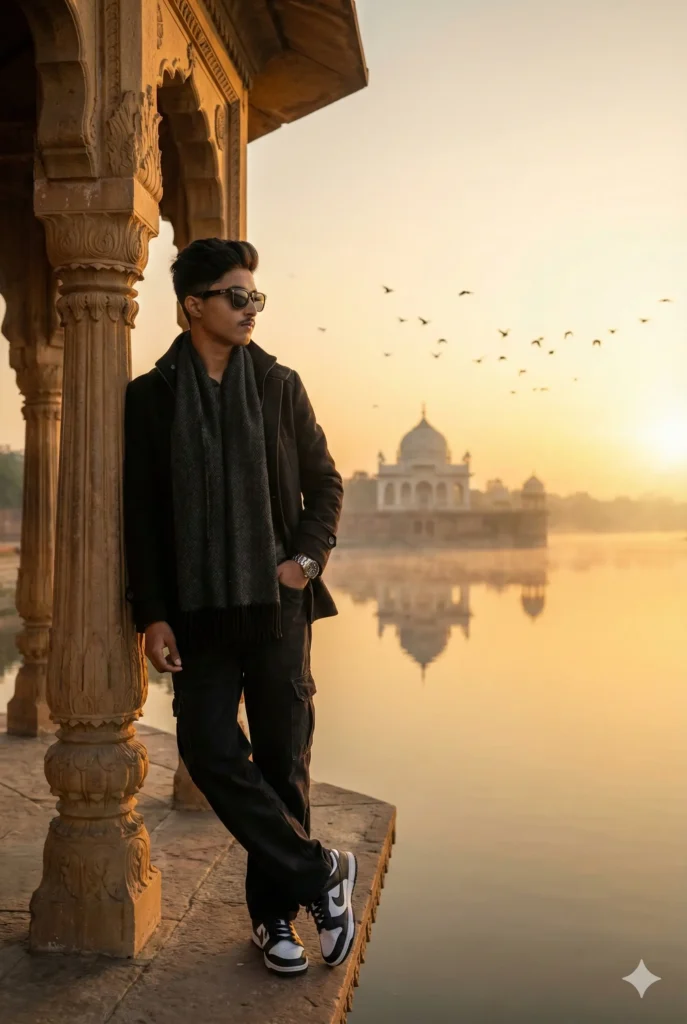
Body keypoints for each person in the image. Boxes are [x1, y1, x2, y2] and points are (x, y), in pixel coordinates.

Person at [123, 238, 357, 976]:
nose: (251, 308)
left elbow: (325, 483)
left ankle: (274, 918)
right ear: (194, 306)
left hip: (277, 607)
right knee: (207, 748)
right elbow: (142, 517)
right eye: (236, 295)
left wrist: (304, 563)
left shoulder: (279, 386)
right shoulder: (151, 397)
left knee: (284, 761)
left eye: (255, 296)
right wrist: (152, 613)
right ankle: (322, 873)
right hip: (199, 612)